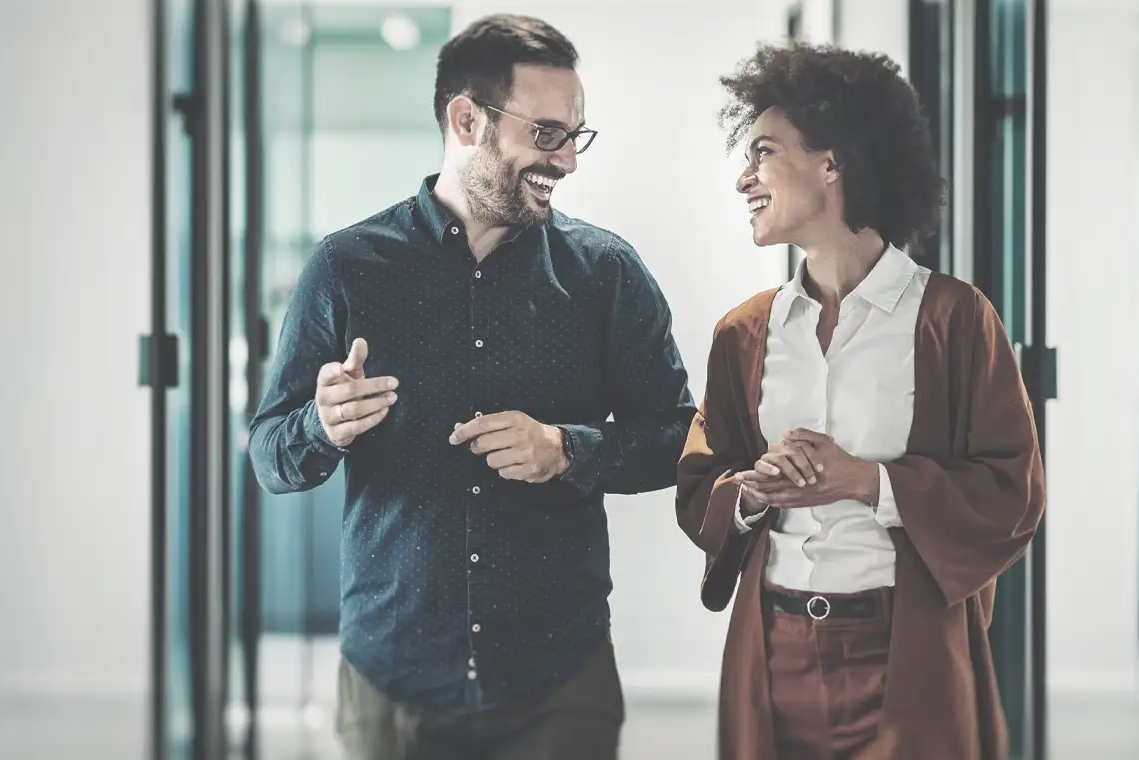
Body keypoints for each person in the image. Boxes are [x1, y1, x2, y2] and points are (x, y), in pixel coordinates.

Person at [249, 14, 695, 760]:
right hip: (391, 683)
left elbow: (683, 438)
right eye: (547, 134)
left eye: (575, 136)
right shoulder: (348, 268)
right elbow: (269, 454)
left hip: (561, 680)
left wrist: (568, 449)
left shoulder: (606, 275)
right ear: (466, 119)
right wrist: (318, 427)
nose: (568, 161)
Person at [676, 42, 1046, 760]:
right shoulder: (744, 333)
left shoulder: (954, 319)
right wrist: (751, 493)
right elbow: (699, 485)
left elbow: (1013, 492)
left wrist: (866, 481)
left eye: (763, 152)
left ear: (833, 161)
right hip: (772, 653)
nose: (744, 180)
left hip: (905, 658)